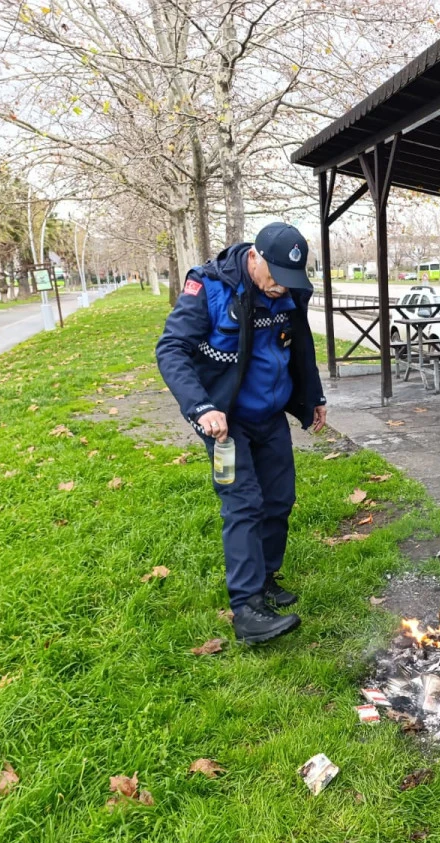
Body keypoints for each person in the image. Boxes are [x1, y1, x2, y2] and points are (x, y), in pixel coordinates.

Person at [156, 223, 326, 644]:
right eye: (275, 278)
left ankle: (265, 579)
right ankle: (247, 610)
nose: (280, 289)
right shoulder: (209, 287)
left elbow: (300, 344)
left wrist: (313, 396)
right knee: (244, 503)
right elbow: (171, 350)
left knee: (279, 498)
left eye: (290, 281)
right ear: (255, 258)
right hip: (225, 420)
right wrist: (201, 407)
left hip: (270, 416)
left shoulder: (288, 290)